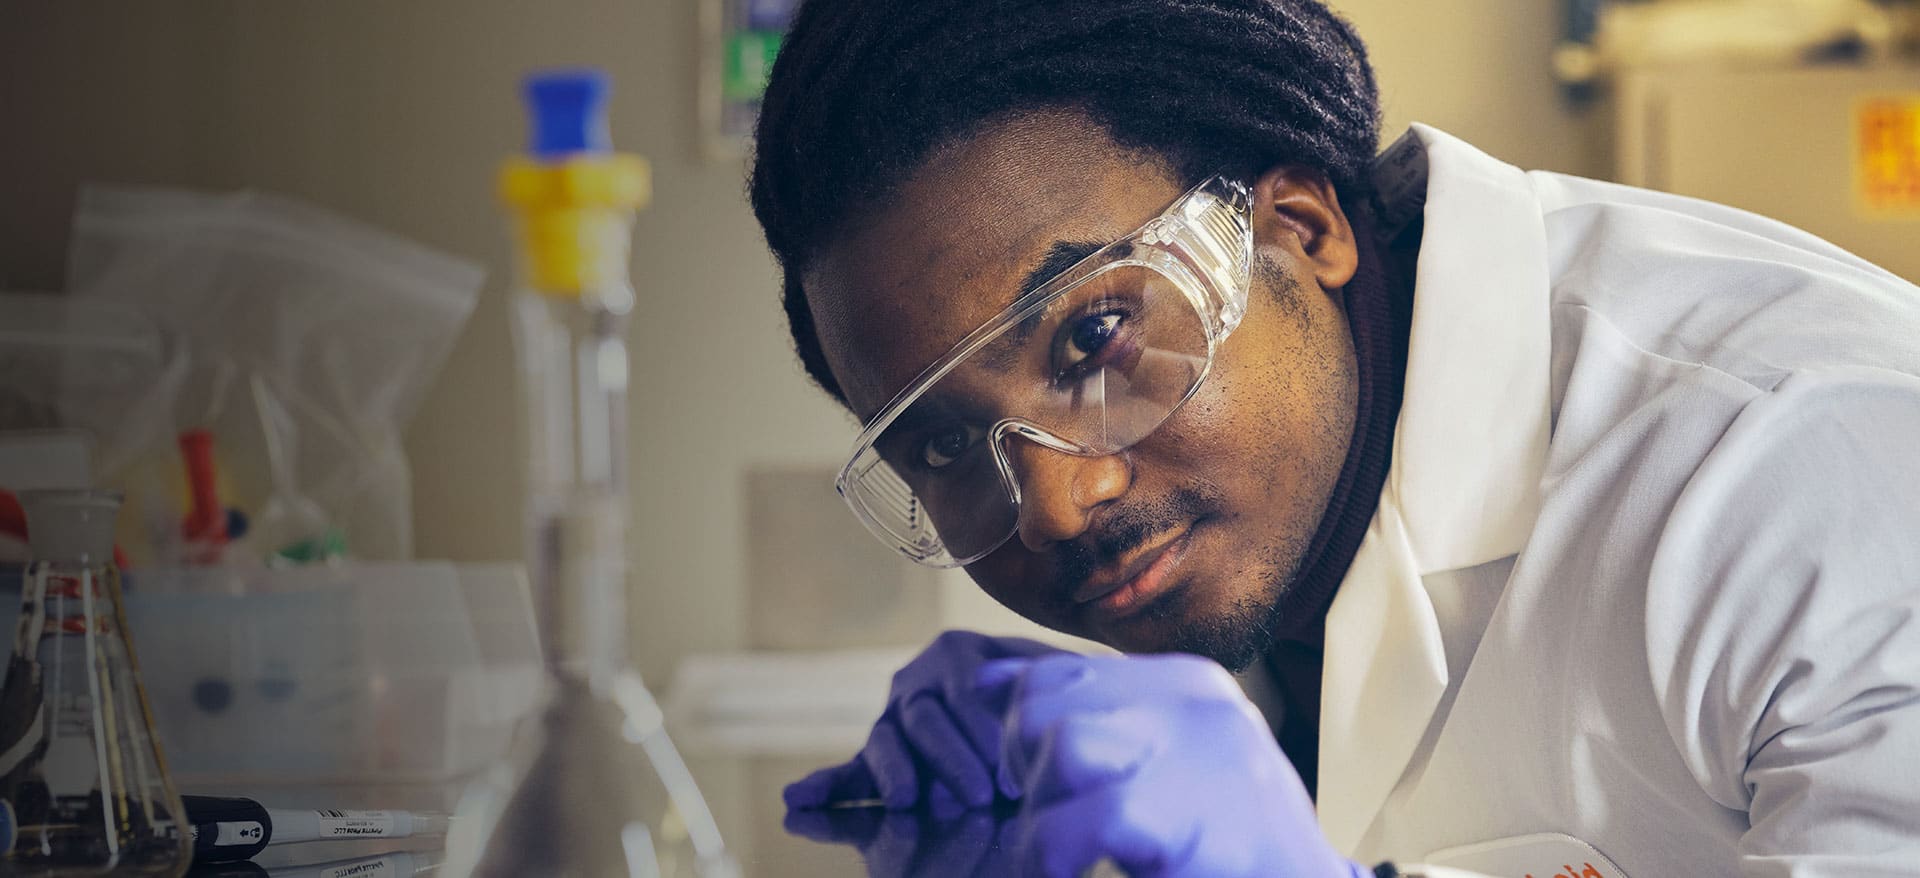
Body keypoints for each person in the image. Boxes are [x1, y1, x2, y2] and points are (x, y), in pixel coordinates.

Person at [745, 0, 1920, 875]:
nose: (1056, 503)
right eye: (947, 445)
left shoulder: (1798, 468)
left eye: (1095, 334)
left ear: (1299, 227)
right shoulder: (1271, 527)